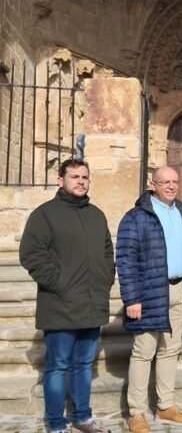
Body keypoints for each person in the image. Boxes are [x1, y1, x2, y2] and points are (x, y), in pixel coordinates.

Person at [19, 159, 114, 433]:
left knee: (83, 365)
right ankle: (56, 422)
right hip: (60, 305)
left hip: (92, 305)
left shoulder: (96, 215)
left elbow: (107, 253)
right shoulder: (45, 215)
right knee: (58, 366)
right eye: (75, 176)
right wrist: (59, 283)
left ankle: (82, 417)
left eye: (85, 177)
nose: (81, 181)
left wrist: (105, 280)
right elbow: (31, 254)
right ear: (61, 180)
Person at [115, 166, 182, 432]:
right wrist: (132, 298)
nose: (171, 186)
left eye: (175, 181)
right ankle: (137, 412)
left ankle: (165, 406)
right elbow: (125, 259)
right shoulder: (136, 217)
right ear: (152, 184)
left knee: (170, 350)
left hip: (180, 289)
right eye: (165, 182)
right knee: (144, 352)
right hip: (149, 291)